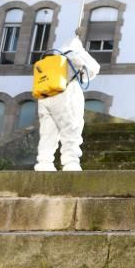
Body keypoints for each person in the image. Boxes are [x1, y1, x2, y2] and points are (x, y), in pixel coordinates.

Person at [35, 32, 101, 172]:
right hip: (65, 94)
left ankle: (44, 162)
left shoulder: (51, 57)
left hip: (45, 95)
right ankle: (70, 162)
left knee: (48, 132)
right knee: (71, 127)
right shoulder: (74, 53)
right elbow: (93, 68)